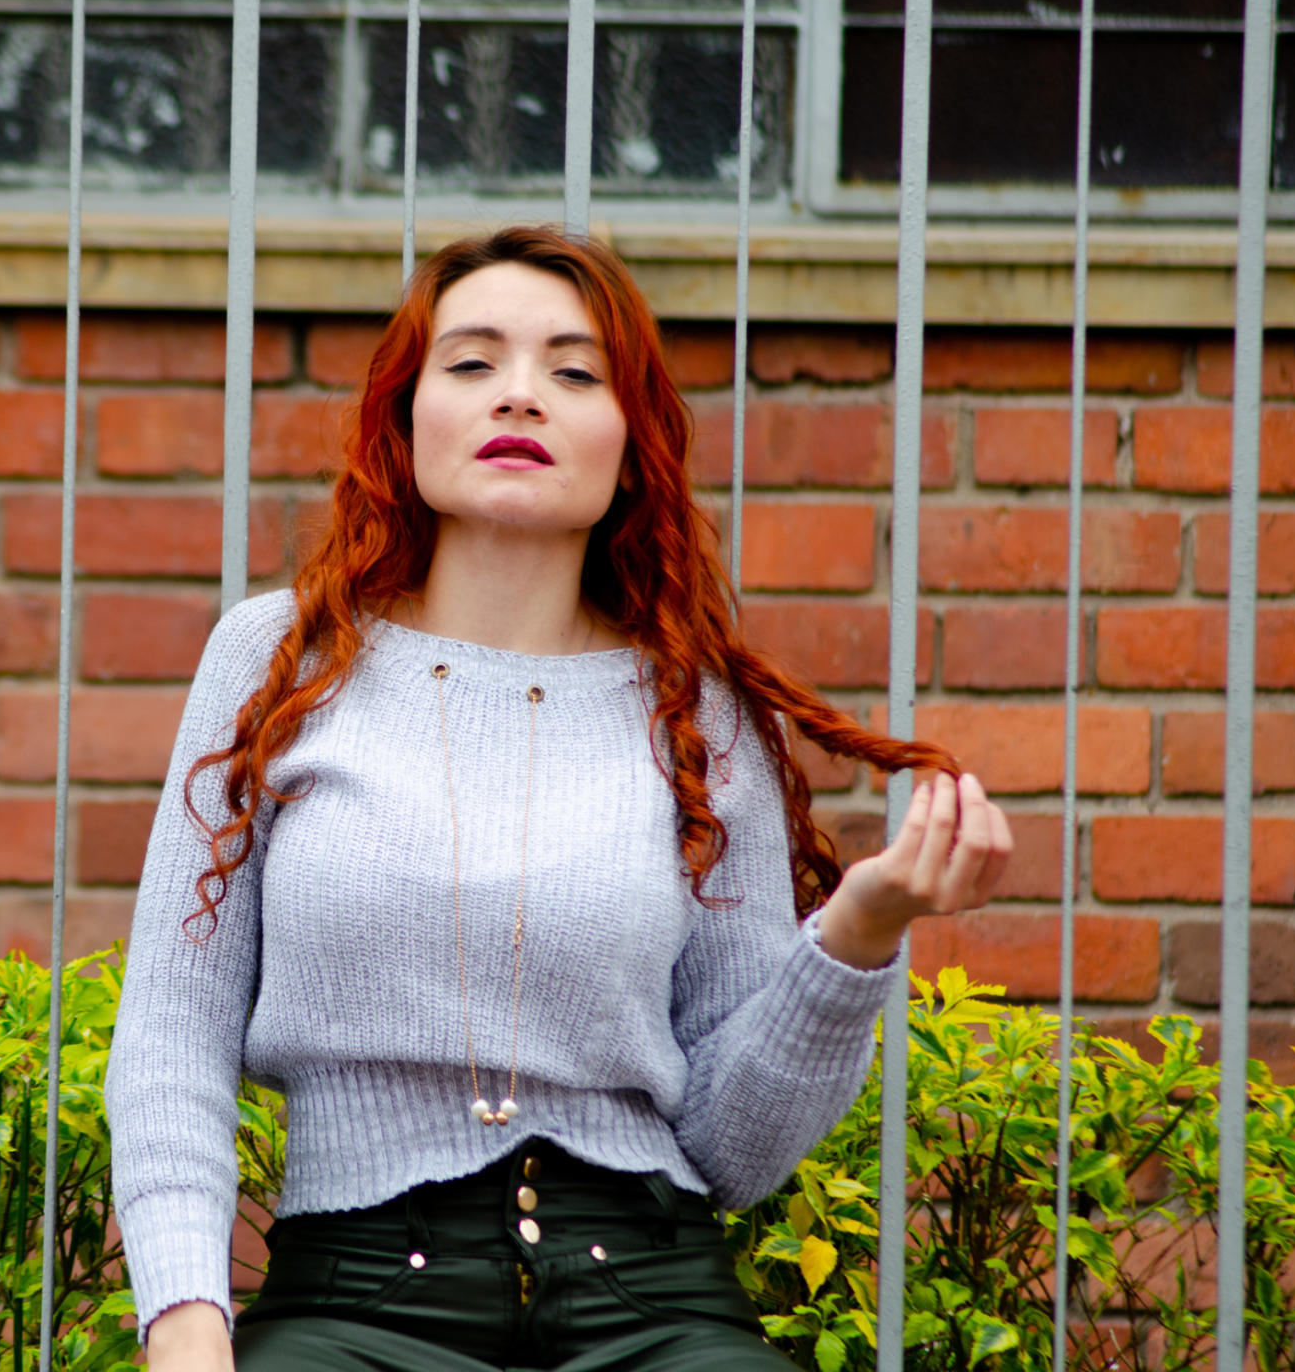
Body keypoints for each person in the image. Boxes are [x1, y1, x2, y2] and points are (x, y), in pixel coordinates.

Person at [103, 226, 1013, 1372]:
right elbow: (170, 1036)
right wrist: (186, 1323)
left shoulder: (699, 708)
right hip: (356, 1302)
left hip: (652, 1297)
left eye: (573, 372)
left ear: (629, 450)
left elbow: (733, 1153)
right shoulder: (280, 660)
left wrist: (857, 933)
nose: (519, 394)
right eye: (471, 362)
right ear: (403, 419)